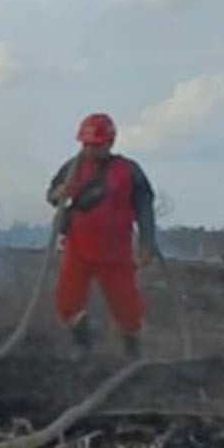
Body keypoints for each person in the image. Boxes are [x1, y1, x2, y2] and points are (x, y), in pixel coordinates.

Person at [47, 113, 159, 360]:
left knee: (127, 307)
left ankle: (132, 352)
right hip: (78, 247)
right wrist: (60, 193)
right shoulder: (72, 167)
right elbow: (52, 195)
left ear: (109, 143)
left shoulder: (129, 171)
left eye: (95, 145)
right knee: (68, 302)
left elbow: (144, 206)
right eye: (85, 144)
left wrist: (147, 243)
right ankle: (83, 348)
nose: (89, 150)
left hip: (116, 252)